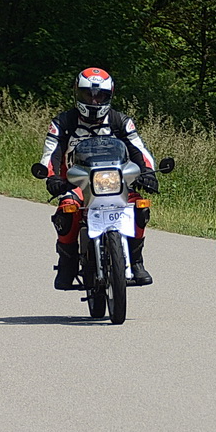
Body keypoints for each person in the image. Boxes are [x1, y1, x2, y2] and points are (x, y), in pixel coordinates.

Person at [39, 67, 159, 289]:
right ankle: (67, 263)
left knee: (139, 207)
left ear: (109, 96)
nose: (94, 100)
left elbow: (139, 150)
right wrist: (52, 177)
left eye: (100, 96)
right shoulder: (62, 123)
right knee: (67, 211)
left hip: (116, 182)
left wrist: (148, 173)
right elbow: (51, 153)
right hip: (77, 183)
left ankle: (136, 260)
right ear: (77, 93)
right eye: (88, 95)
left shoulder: (121, 121)